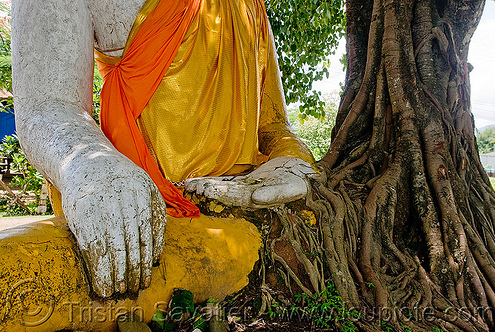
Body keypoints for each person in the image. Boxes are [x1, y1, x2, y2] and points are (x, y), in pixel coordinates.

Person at [12, 0, 316, 299]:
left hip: (247, 212)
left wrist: (292, 161)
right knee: (18, 273)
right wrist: (93, 168)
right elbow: (46, 107)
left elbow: (274, 127)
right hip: (140, 214)